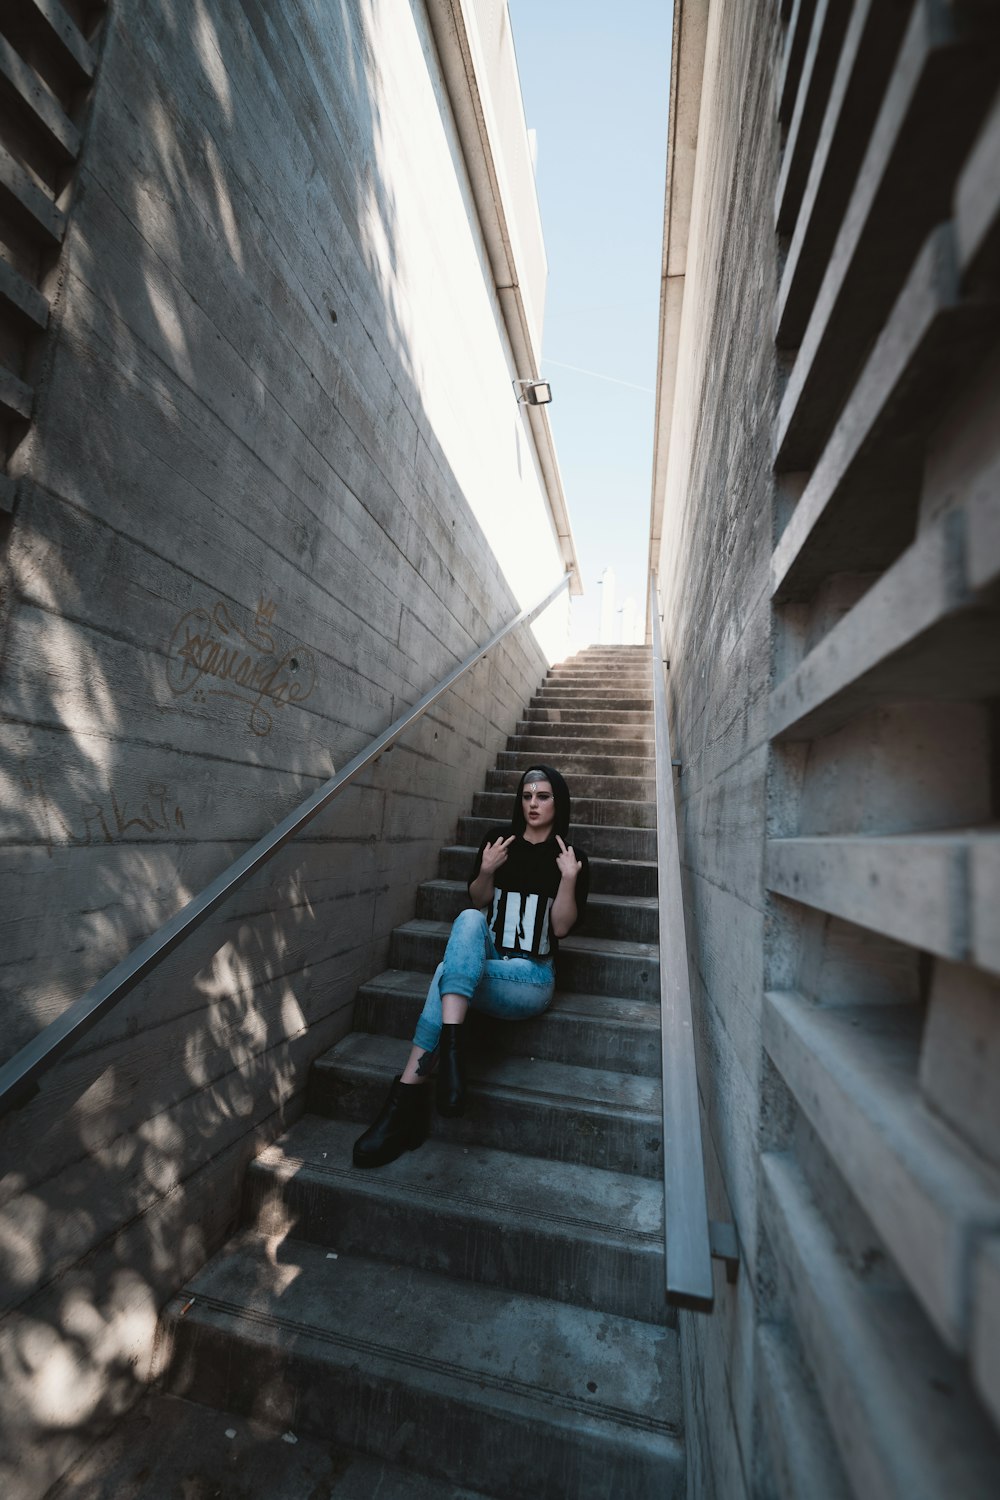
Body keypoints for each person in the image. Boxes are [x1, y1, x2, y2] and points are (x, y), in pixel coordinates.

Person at [353, 765, 589, 1168]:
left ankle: (407, 1100)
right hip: (491, 958)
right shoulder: (498, 842)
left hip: (532, 977)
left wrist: (568, 880)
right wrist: (486, 869)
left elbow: (562, 928)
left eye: (543, 796)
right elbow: (477, 898)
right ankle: (451, 1054)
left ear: (558, 801)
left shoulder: (572, 858)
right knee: (468, 919)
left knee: (446, 974)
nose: (533, 803)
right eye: (527, 795)